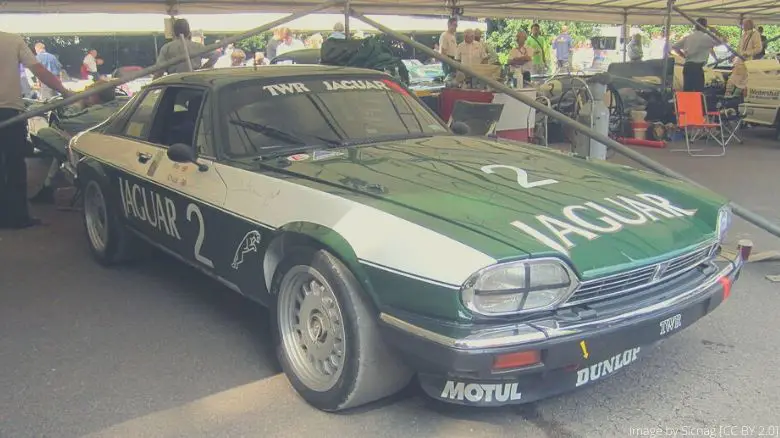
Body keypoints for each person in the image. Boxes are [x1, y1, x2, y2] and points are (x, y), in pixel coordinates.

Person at [1, 30, 70, 228]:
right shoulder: (12, 40)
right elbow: (38, 70)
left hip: (10, 111)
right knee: (14, 165)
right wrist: (64, 91)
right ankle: (17, 218)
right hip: (9, 112)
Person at [31, 81, 124, 204]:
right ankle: (48, 186)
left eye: (88, 95)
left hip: (92, 155)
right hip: (114, 151)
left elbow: (64, 121)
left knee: (46, 133)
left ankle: (49, 187)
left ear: (95, 96)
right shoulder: (119, 105)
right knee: (67, 143)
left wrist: (78, 103)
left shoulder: (96, 112)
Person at [154, 18, 219, 79]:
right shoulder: (197, 46)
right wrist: (202, 69)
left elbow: (159, 71)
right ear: (189, 32)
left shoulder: (167, 48)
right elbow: (215, 55)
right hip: (195, 79)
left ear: (173, 33)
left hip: (175, 81)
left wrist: (153, 83)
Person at [672, 18, 721, 92]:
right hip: (697, 67)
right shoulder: (705, 37)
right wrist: (714, 31)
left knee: (688, 91)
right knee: (698, 91)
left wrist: (683, 56)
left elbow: (675, 47)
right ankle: (696, 103)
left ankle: (688, 103)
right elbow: (722, 41)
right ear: (705, 26)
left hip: (688, 66)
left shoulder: (689, 37)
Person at [727, 19, 763, 96]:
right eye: (743, 25)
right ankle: (726, 98)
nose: (743, 26)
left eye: (744, 24)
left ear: (750, 25)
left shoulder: (755, 34)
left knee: (742, 84)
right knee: (731, 82)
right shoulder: (743, 35)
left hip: (747, 62)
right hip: (738, 62)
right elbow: (739, 48)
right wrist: (733, 55)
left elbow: (759, 48)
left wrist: (748, 53)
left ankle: (734, 99)